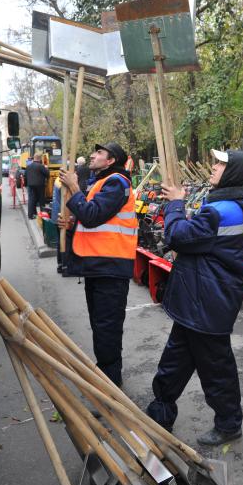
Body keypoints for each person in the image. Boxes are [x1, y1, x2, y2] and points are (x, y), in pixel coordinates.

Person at [146, 149, 243, 446]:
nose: (214, 167)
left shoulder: (222, 210)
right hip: (198, 300)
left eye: (221, 164)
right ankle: (159, 414)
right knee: (174, 362)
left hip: (209, 302)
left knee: (216, 370)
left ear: (232, 172)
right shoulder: (223, 204)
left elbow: (178, 237)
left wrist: (175, 205)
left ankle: (229, 424)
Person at [59, 142, 138, 387]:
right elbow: (93, 220)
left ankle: (110, 384)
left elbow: (93, 216)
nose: (93, 156)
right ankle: (106, 372)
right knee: (100, 325)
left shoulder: (117, 183)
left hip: (110, 268)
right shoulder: (102, 183)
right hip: (99, 266)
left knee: (106, 328)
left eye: (99, 153)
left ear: (111, 160)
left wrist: (73, 187)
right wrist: (73, 225)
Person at [25, 153, 50, 219]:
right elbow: (47, 174)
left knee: (32, 200)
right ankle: (43, 215)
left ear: (34, 158)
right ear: (39, 159)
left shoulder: (28, 166)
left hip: (30, 185)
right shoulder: (41, 166)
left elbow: (25, 176)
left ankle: (31, 215)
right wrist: (47, 169)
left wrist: (27, 184)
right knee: (41, 200)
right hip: (40, 185)